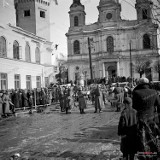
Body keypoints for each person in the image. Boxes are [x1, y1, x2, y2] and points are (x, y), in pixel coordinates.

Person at [132, 77, 160, 153]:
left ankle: (142, 149)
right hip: (152, 117)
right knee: (152, 133)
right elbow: (158, 104)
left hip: (141, 117)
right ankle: (153, 150)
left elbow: (134, 106)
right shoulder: (154, 91)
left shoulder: (136, 92)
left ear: (140, 83)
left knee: (141, 134)